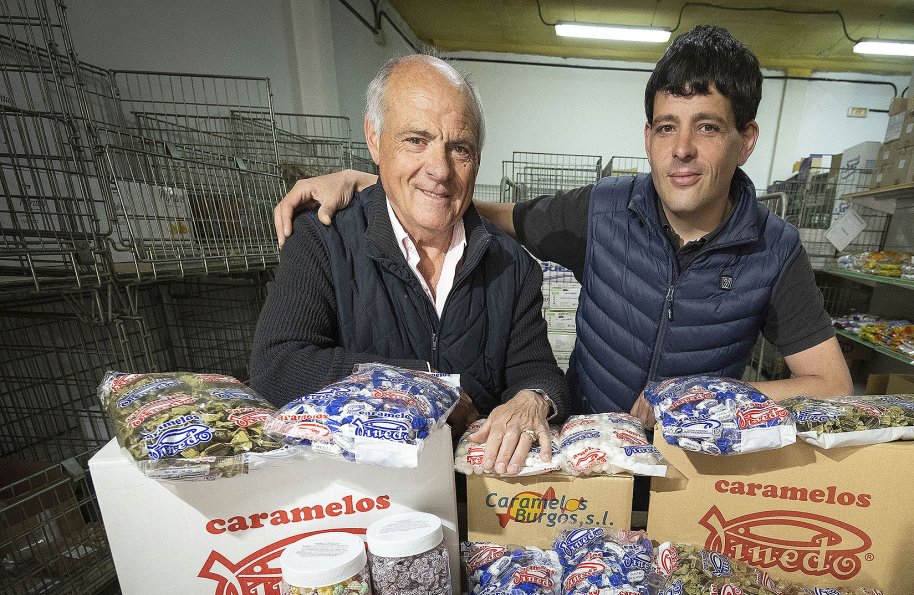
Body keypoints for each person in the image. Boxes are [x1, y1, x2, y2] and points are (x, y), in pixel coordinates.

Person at [272, 26, 852, 424]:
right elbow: (486, 212)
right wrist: (382, 183)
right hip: (589, 460)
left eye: (707, 127)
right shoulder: (601, 211)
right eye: (665, 127)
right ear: (646, 136)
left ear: (746, 140)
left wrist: (705, 397)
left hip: (696, 466)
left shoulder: (774, 250)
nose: (681, 150)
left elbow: (832, 385)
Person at [250, 54, 566, 475]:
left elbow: (536, 369)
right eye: (416, 140)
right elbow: (278, 367)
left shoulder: (512, 267)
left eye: (459, 148)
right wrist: (426, 386)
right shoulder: (322, 240)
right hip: (359, 498)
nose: (440, 169)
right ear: (374, 139)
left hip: (479, 505)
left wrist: (533, 398)